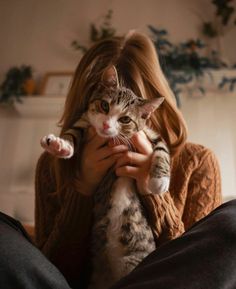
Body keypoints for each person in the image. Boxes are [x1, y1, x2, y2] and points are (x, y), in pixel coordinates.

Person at [0, 31, 234, 289]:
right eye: (101, 107)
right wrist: (82, 189)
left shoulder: (197, 162)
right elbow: (44, 272)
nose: (109, 128)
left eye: (126, 119)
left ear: (150, 112)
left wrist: (153, 193)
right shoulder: (52, 163)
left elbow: (198, 269)